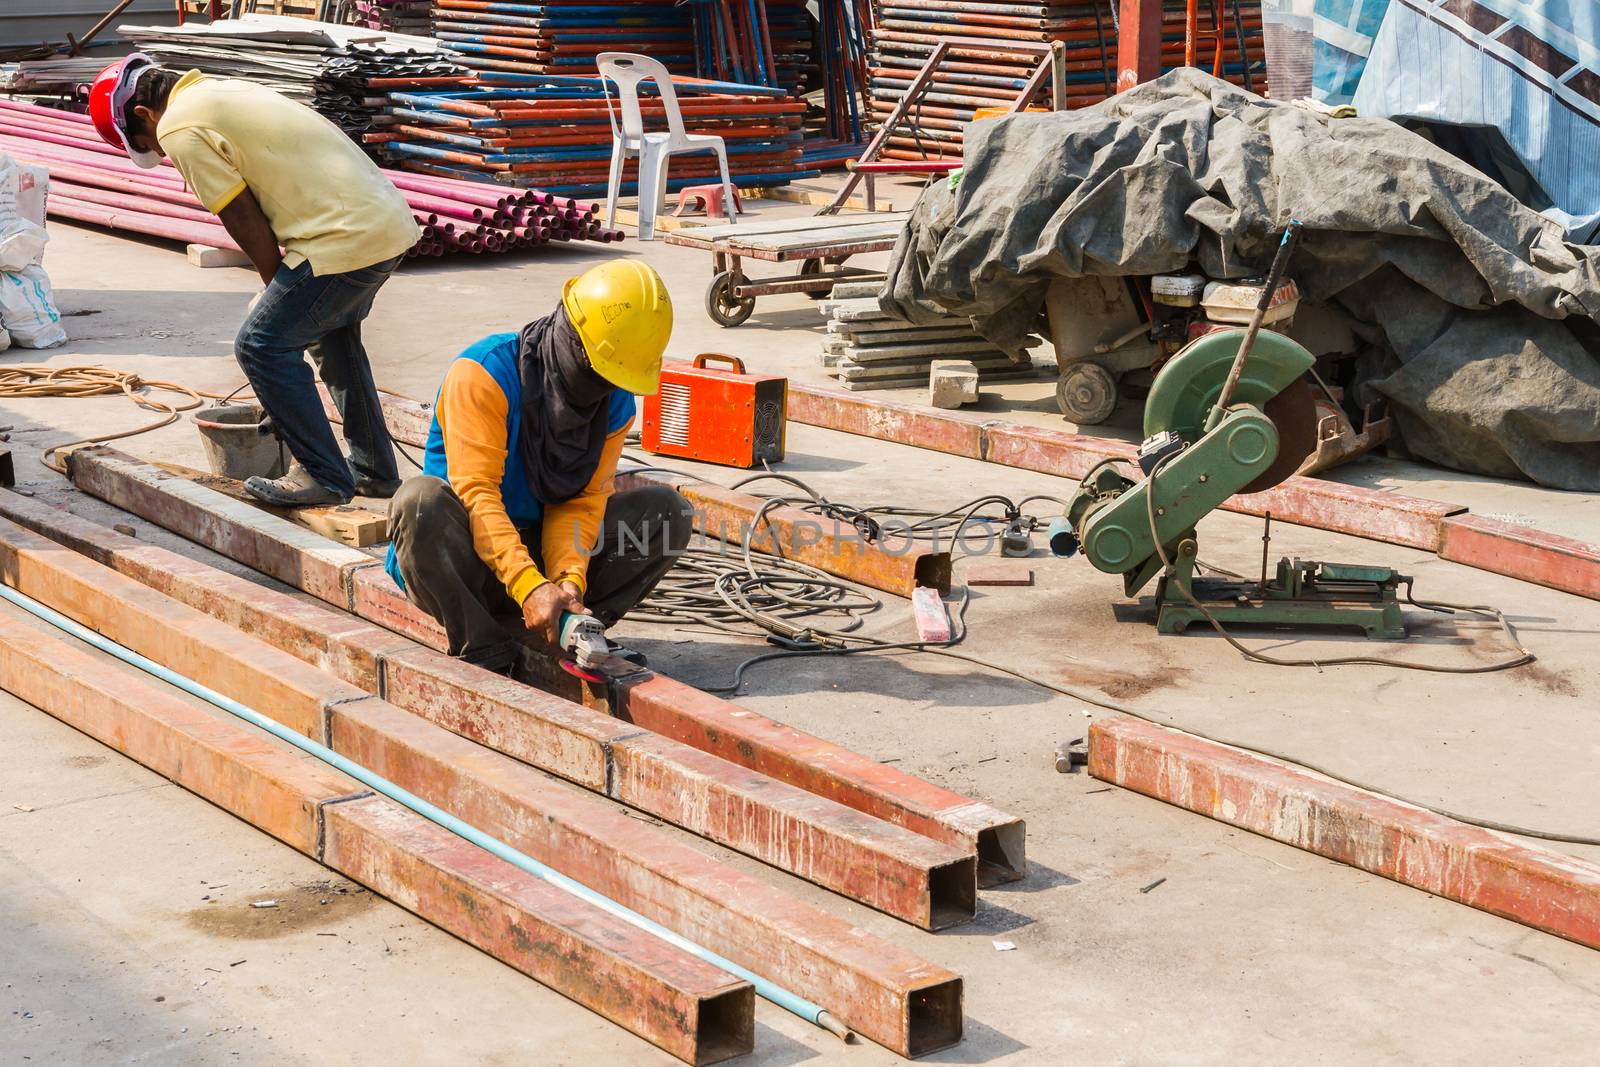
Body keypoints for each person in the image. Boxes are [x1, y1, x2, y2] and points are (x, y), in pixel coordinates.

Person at [88, 54, 419, 507]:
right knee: (333, 342)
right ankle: (374, 472)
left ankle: (323, 476)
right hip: (384, 225)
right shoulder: (217, 91)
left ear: (145, 114)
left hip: (342, 238)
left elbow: (241, 217)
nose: (161, 153)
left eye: (149, 143)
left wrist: (273, 285)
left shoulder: (178, 126)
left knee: (260, 345)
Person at [385, 260, 693, 675]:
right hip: (461, 559)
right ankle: (482, 645)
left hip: (538, 551)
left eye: (614, 379)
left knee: (666, 512)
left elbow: (582, 500)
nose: (603, 390)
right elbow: (477, 496)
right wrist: (528, 587)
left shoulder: (613, 404)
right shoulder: (484, 374)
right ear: (573, 342)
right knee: (419, 502)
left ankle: (572, 626)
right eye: (600, 375)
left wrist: (568, 582)